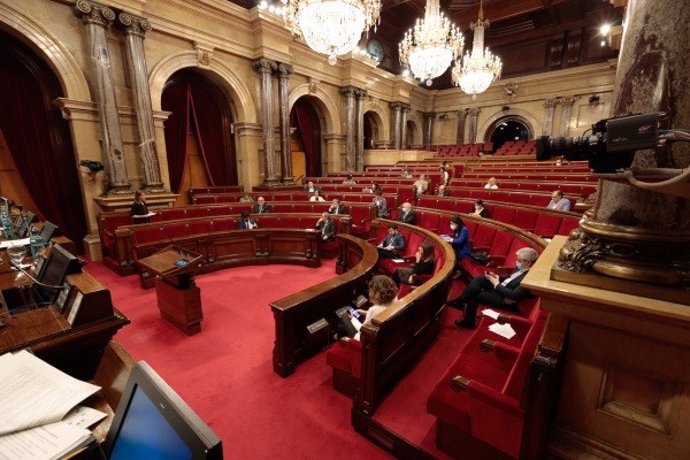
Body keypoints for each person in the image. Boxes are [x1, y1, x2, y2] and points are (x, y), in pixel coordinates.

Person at [447, 247, 539, 329]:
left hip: (506, 300)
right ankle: (460, 301)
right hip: (501, 287)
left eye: (519, 260)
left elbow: (513, 295)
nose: (517, 262)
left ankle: (468, 321)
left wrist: (496, 284)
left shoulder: (528, 278)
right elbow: (510, 277)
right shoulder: (522, 267)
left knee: (474, 295)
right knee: (479, 279)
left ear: (528, 262)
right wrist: (497, 277)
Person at [338, 275, 398, 340]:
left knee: (344, 317)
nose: (369, 292)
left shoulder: (373, 310)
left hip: (363, 340)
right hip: (385, 333)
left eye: (370, 290)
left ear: (377, 294)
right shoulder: (395, 299)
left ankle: (342, 340)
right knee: (341, 326)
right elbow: (382, 312)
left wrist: (352, 319)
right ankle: (341, 335)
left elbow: (362, 330)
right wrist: (365, 312)